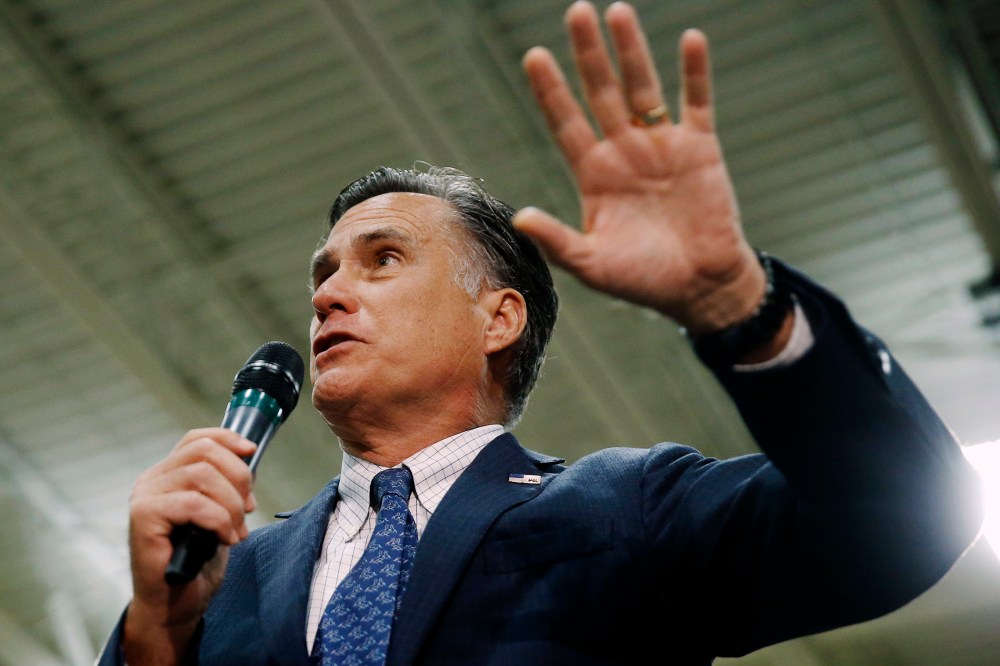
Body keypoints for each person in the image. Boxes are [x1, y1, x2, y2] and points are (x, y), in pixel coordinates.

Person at [99, 2, 982, 665]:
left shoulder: (622, 509)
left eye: (382, 259)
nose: (330, 293)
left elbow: (901, 525)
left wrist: (736, 303)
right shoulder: (223, 580)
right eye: (324, 273)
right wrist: (154, 631)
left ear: (499, 316)